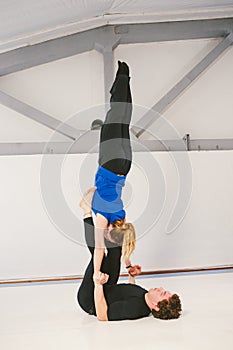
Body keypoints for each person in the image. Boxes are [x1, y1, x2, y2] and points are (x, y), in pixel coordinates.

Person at [78, 200, 182, 321]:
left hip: (90, 298)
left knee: (101, 258)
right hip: (108, 287)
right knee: (115, 252)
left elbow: (102, 315)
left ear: (156, 306)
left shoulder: (136, 309)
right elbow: (129, 293)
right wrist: (131, 272)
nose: (161, 289)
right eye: (165, 291)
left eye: (162, 294)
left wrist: (97, 284)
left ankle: (87, 212)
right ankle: (109, 227)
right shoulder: (146, 296)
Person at [86, 61, 136, 281]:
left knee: (123, 121)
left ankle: (124, 79)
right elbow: (99, 249)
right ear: (108, 233)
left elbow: (124, 242)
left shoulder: (121, 218)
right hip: (109, 163)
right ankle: (122, 79)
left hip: (125, 166)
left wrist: (129, 266)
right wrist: (97, 272)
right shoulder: (102, 220)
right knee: (116, 115)